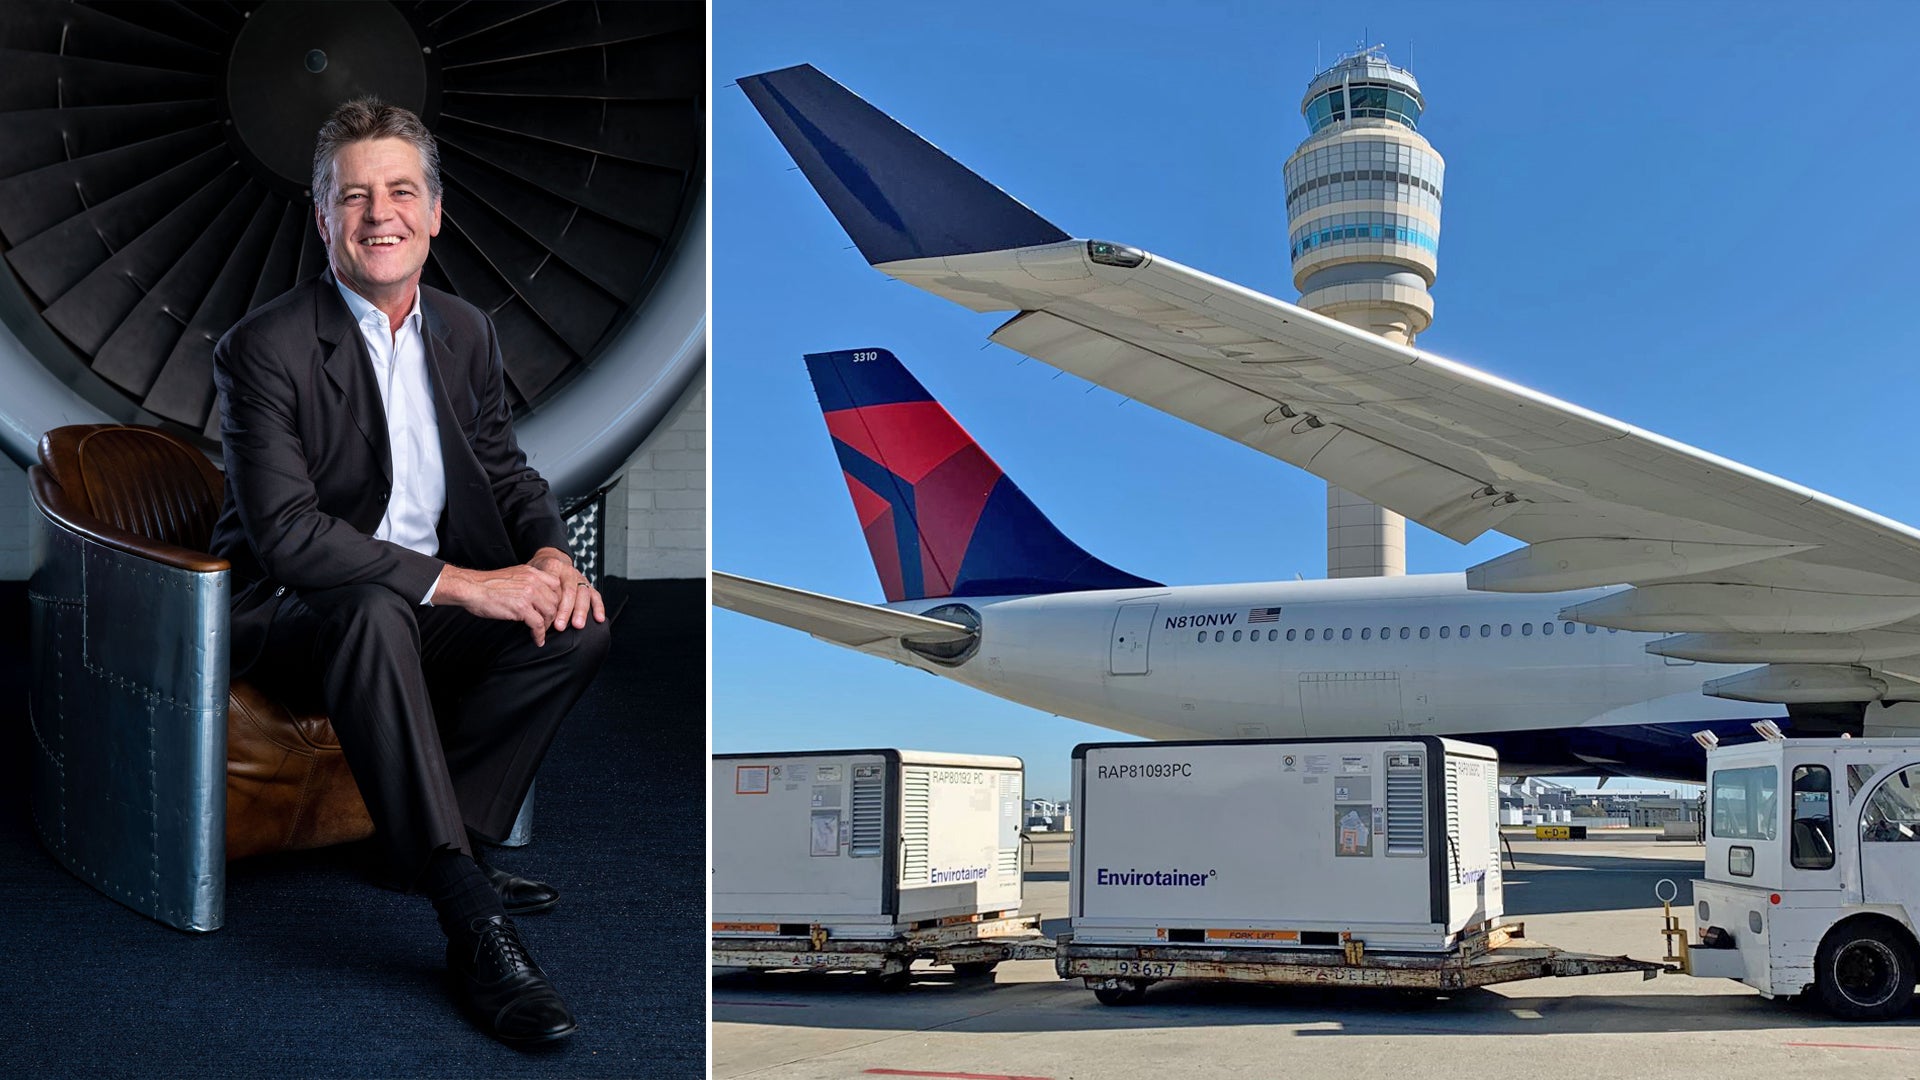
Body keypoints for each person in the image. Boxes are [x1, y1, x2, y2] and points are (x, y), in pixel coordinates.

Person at [207, 97, 611, 1045]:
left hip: (413, 601)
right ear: (323, 221)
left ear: (434, 212)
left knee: (579, 622)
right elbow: (292, 537)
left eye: (398, 192)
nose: (377, 214)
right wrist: (473, 584)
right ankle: (470, 916)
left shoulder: (466, 332)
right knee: (371, 610)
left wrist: (549, 553)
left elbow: (507, 472)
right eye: (353, 197)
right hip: (295, 614)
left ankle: (430, 846)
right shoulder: (263, 348)